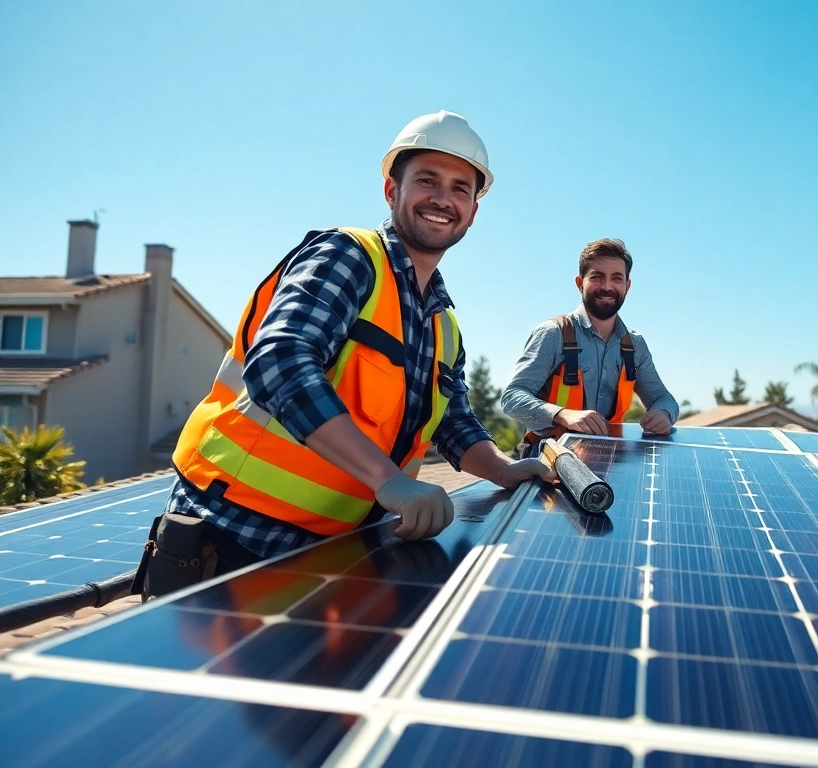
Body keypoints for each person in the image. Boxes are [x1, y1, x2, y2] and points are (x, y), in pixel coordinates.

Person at [136, 111, 556, 598]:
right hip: (234, 541)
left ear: (473, 211)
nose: (444, 199)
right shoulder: (347, 257)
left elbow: (452, 420)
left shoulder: (444, 324)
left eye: (461, 188)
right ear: (391, 191)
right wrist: (389, 480)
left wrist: (503, 469)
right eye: (427, 180)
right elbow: (281, 360)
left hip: (326, 555)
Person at [501, 238, 679, 446]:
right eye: (597, 277)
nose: (607, 286)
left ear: (627, 286)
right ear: (579, 283)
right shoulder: (553, 334)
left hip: (611, 459)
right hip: (552, 459)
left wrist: (663, 413)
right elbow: (512, 397)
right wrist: (562, 414)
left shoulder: (635, 345)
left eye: (616, 278)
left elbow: (663, 398)